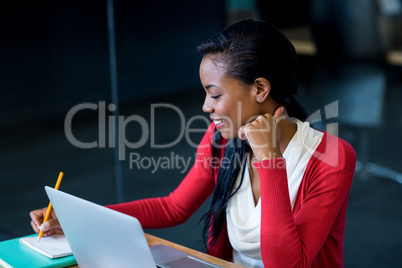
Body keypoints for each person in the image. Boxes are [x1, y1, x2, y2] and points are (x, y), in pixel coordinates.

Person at [30, 19, 356, 267]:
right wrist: (77, 219)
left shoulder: (332, 157)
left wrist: (269, 158)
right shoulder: (221, 140)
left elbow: (286, 264)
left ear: (259, 89)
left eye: (214, 94)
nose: (205, 106)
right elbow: (173, 206)